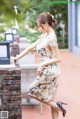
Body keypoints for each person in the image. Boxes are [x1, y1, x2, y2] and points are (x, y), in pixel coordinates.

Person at [14, 12, 67, 119]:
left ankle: (59, 106)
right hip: (49, 70)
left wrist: (41, 64)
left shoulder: (52, 38)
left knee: (31, 91)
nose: (38, 29)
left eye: (39, 26)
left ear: (46, 24)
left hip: (51, 71)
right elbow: (30, 47)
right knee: (50, 100)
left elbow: (58, 58)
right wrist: (17, 57)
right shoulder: (45, 35)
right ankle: (57, 105)